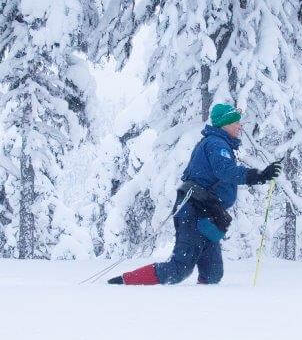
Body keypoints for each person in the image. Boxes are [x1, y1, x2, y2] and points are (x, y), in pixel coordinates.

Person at [108, 103, 280, 285]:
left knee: (212, 273)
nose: (240, 126)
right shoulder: (216, 144)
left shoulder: (220, 144)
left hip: (208, 214)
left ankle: (201, 308)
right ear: (224, 124)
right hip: (193, 211)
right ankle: (123, 283)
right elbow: (225, 171)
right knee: (179, 268)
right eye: (236, 123)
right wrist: (258, 176)